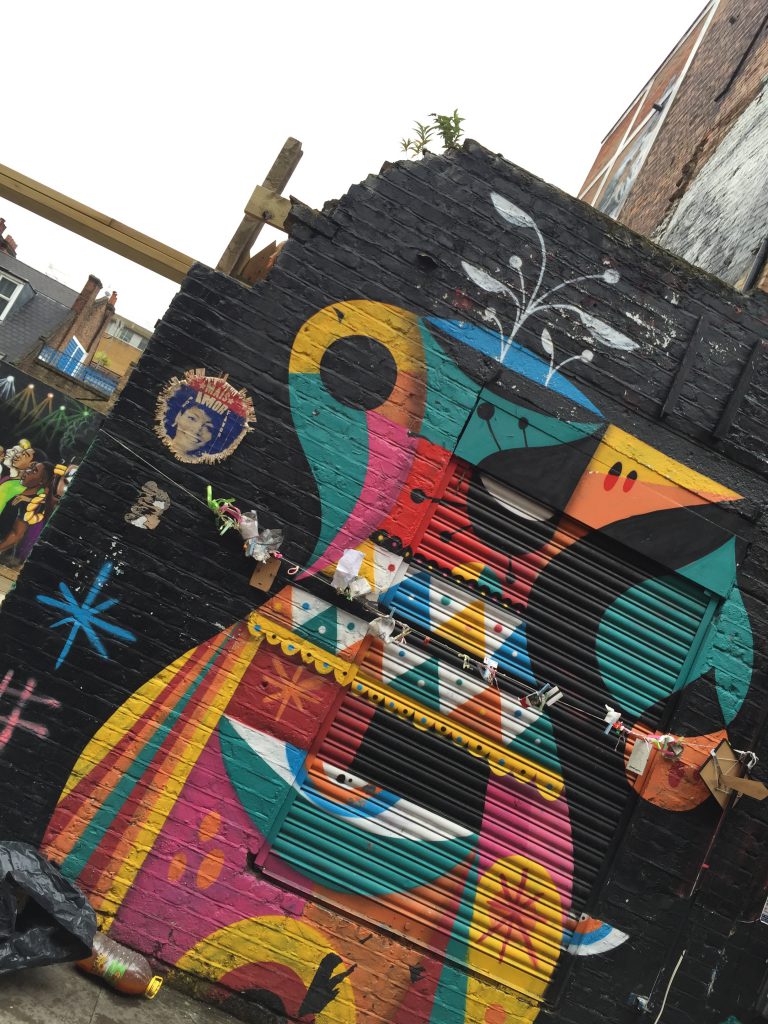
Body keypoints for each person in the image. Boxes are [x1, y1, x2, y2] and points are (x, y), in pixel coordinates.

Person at [0, 461, 55, 563]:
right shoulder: (19, 494)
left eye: (34, 471)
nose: (27, 471)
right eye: (31, 468)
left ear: (42, 481)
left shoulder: (31, 504)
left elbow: (17, 534)